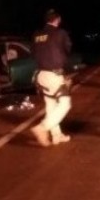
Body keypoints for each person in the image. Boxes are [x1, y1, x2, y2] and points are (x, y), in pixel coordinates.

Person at [29, 8, 74, 147]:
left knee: (51, 105)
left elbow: (33, 52)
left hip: (41, 75)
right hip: (55, 75)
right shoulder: (60, 33)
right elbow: (67, 50)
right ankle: (42, 128)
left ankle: (57, 136)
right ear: (57, 19)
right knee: (65, 104)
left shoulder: (36, 35)